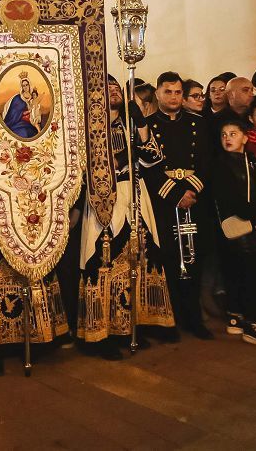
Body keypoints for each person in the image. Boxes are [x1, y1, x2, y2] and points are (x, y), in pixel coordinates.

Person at [76, 75, 173, 353]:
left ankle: (134, 324)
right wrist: (119, 158)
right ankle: (102, 334)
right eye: (106, 88)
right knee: (104, 261)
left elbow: (153, 158)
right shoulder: (87, 127)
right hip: (104, 196)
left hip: (135, 192)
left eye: (116, 87)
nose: (114, 92)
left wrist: (141, 123)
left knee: (140, 256)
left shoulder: (131, 122)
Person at [143, 72, 213, 339]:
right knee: (168, 258)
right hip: (164, 201)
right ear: (158, 94)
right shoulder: (148, 126)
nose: (173, 97)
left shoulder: (199, 123)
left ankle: (194, 318)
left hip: (194, 200)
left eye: (178, 92)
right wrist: (174, 194)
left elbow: (207, 160)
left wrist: (191, 190)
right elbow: (148, 167)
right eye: (168, 91)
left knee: (194, 259)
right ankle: (169, 320)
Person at [211, 117, 256, 347]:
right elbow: (229, 198)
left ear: (245, 137)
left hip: (252, 220)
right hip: (238, 224)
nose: (227, 138)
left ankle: (235, 315)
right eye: (224, 134)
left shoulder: (250, 160)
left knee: (240, 272)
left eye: (232, 134)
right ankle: (252, 324)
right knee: (250, 272)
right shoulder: (221, 164)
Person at [1, 72, 39, 138]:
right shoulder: (17, 98)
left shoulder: (33, 96)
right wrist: (23, 113)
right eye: (23, 86)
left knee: (33, 133)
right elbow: (13, 114)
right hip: (17, 123)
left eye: (26, 85)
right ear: (21, 87)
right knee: (24, 133)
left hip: (30, 123)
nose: (25, 87)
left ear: (29, 85)